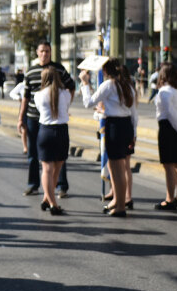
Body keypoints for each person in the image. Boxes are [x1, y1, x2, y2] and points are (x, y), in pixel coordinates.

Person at [79, 58, 139, 217]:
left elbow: (88, 102)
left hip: (114, 126)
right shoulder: (127, 86)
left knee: (116, 168)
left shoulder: (109, 85)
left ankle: (120, 206)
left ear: (106, 71)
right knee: (118, 168)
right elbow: (134, 113)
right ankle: (120, 202)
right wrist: (134, 134)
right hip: (126, 126)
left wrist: (85, 83)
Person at [17, 41, 75, 198]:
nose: (44, 54)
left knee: (59, 157)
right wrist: (20, 118)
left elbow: (71, 86)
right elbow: (26, 97)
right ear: (37, 52)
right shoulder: (30, 72)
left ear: (50, 53)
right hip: (34, 118)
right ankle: (33, 185)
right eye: (42, 51)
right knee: (33, 154)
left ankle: (61, 186)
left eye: (47, 51)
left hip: (52, 120)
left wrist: (65, 107)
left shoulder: (59, 69)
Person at [33, 67, 72, 216]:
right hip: (62, 131)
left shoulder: (39, 95)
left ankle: (50, 201)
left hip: (46, 131)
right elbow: (66, 107)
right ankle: (49, 199)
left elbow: (38, 110)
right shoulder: (66, 94)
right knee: (57, 167)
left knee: (46, 169)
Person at [153, 63, 177, 210]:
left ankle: (170, 199)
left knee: (168, 165)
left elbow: (170, 113)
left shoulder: (164, 92)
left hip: (168, 128)